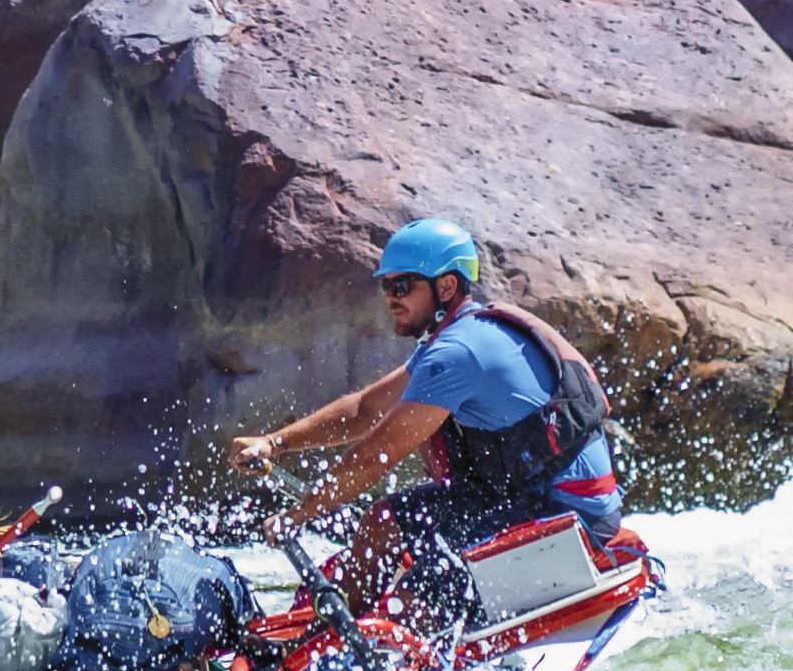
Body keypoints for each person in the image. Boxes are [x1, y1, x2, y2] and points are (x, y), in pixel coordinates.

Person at [228, 219, 621, 621]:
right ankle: (344, 631)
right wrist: (275, 442)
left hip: (564, 514)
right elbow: (364, 409)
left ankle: (385, 645)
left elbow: (375, 457)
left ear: (446, 287)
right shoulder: (452, 342)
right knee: (382, 520)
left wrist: (299, 516)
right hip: (518, 497)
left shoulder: (459, 353)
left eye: (401, 287)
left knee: (407, 607)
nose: (389, 299)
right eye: (385, 287)